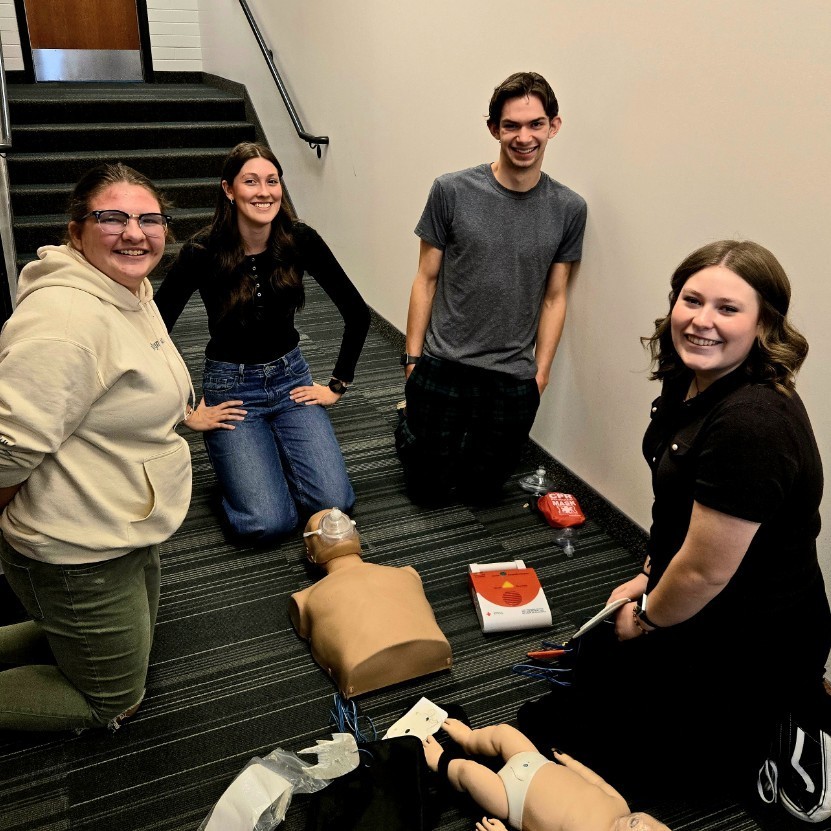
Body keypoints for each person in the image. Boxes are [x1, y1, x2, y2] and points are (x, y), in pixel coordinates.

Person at [518, 240, 831, 801]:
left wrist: (647, 617)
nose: (701, 321)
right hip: (693, 592)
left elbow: (705, 574)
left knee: (599, 759)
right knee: (567, 701)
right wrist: (646, 572)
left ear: (764, 324)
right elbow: (677, 513)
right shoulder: (690, 379)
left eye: (728, 309)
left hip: (754, 634)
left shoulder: (752, 423)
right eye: (692, 300)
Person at [0, 163, 242, 732]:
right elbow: (7, 450)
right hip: (75, 545)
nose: (135, 232)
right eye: (111, 217)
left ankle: (64, 628)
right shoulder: (64, 321)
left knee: (121, 630)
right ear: (76, 229)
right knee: (112, 700)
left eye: (149, 219)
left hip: (122, 515)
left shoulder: (127, 288)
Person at [155, 142, 370, 542]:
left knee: (336, 503)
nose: (264, 191)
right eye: (250, 181)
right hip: (232, 393)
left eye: (272, 181)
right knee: (266, 523)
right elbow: (153, 331)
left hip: (293, 382)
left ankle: (273, 459)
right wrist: (183, 411)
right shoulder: (202, 250)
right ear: (228, 189)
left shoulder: (299, 238)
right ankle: (252, 472)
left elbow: (357, 313)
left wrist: (337, 385)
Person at [395, 71, 587, 505]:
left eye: (535, 124)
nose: (524, 137)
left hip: (512, 375)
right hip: (444, 363)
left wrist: (541, 373)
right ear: (494, 129)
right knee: (428, 494)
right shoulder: (451, 190)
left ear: (553, 126)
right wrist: (412, 360)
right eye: (511, 126)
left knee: (481, 494)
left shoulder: (570, 208)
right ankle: (408, 423)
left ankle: (437, 433)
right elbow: (425, 278)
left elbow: (556, 296)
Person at [289, 508, 452, 698]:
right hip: (436, 649)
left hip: (359, 670)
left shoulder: (305, 598)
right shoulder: (408, 574)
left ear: (310, 553)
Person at [423, 718, 670, 831]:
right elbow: (597, 781)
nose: (645, 828)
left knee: (469, 772)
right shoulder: (620, 805)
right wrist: (571, 762)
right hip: (535, 762)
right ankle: (470, 739)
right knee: (504, 733)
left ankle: (440, 763)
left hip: (512, 800)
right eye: (659, 827)